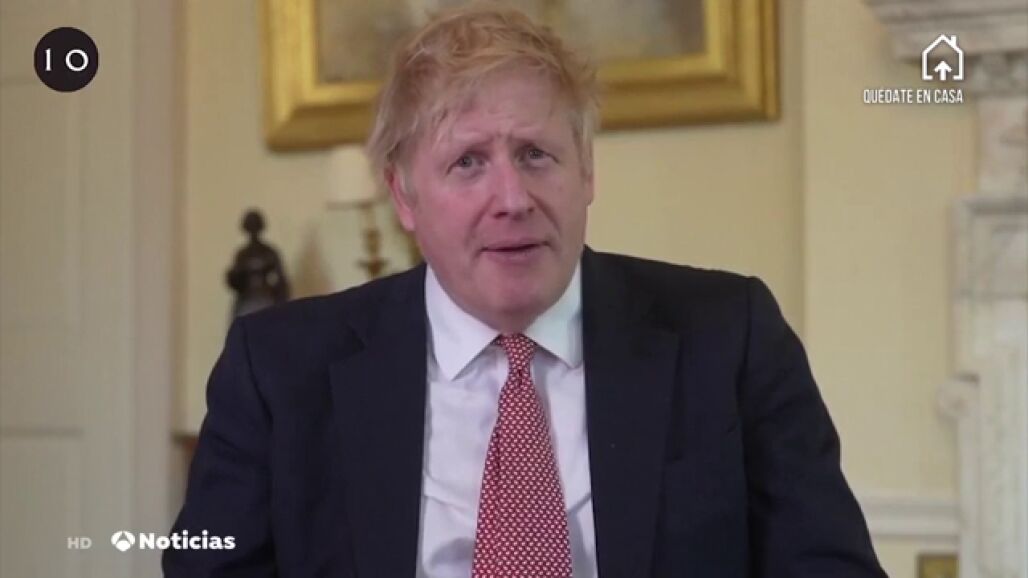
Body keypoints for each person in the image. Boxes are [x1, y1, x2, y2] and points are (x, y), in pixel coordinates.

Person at [164, 5, 888, 577]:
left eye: (537, 154)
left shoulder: (729, 339)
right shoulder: (279, 371)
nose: (512, 199)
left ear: (587, 171)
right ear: (404, 196)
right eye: (468, 162)